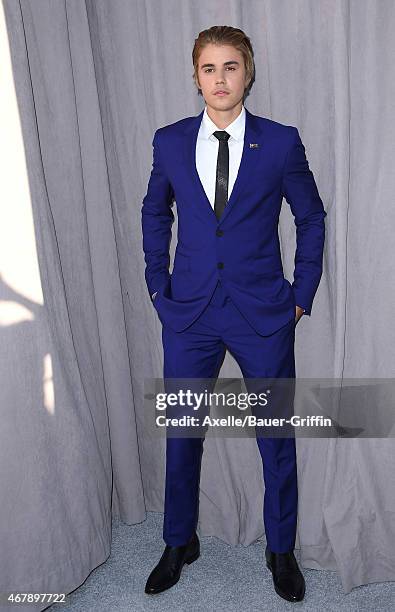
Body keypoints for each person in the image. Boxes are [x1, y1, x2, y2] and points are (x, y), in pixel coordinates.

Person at [141, 25, 326, 602]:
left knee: (275, 436)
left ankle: (281, 550)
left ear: (249, 72)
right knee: (182, 435)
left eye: (230, 67)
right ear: (195, 76)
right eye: (208, 69)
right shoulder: (169, 142)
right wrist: (157, 285)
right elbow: (155, 213)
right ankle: (178, 541)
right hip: (190, 314)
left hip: (263, 313)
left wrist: (303, 292)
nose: (220, 79)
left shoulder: (280, 142)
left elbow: (311, 217)